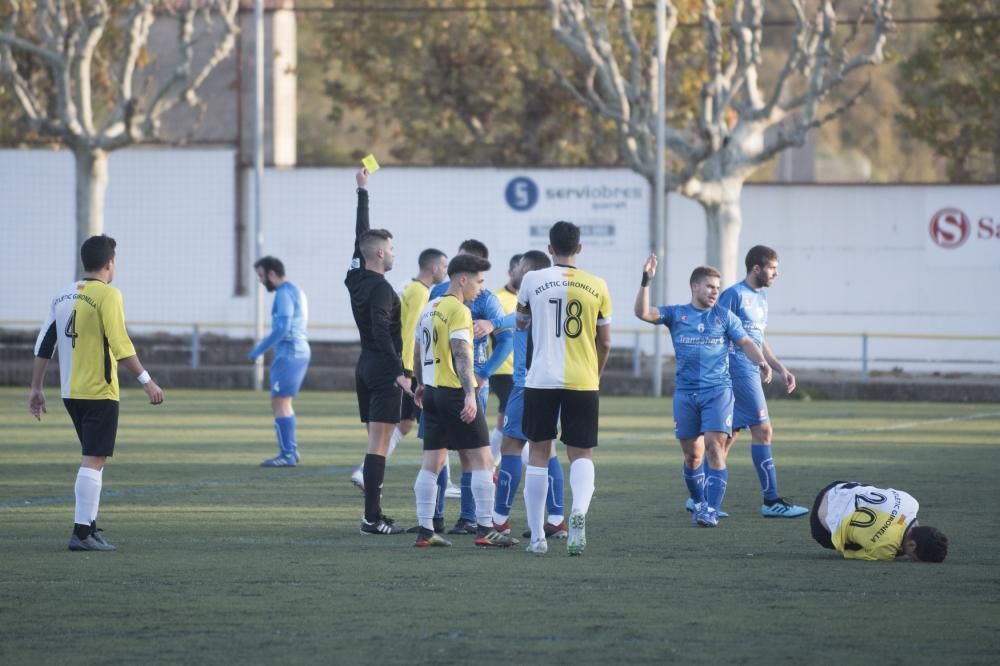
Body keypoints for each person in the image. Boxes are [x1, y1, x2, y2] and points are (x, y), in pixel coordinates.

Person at [27, 234, 165, 551]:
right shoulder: (109, 295)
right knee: (93, 459)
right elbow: (120, 344)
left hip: (70, 392)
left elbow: (44, 344)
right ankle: (81, 533)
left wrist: (36, 388)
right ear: (109, 263)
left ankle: (88, 527)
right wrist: (147, 381)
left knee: (96, 459)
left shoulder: (62, 295)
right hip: (99, 392)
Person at [634, 256, 773, 528]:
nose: (714, 292)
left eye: (717, 288)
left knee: (714, 447)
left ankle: (711, 509)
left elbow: (745, 341)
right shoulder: (677, 314)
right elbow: (643, 313)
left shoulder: (724, 316)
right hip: (685, 394)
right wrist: (646, 280)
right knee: (692, 455)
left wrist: (763, 362)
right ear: (694, 287)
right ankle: (698, 502)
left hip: (718, 392)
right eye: (709, 286)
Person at [517, 221, 612, 556]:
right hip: (583, 380)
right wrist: (595, 375)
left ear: (549, 249)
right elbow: (606, 341)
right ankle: (577, 515)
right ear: (580, 249)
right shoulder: (598, 285)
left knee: (539, 454)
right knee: (581, 453)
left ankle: (537, 538)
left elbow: (520, 321)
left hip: (541, 378)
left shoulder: (532, 279)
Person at [411, 253, 517, 548]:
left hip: (431, 393)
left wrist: (420, 384)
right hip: (454, 392)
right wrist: (470, 392)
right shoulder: (459, 310)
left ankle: (424, 531)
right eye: (479, 281)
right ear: (462, 279)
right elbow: (461, 351)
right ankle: (485, 530)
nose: (481, 288)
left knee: (432, 461)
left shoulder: (430, 307)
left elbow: (418, 349)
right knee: (482, 459)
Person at [717, 246, 808, 517]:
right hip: (738, 369)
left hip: (752, 368)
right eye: (772, 268)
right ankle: (771, 502)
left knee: (728, 437)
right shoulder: (733, 295)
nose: (776, 274)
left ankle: (701, 498)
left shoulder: (762, 297)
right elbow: (717, 331)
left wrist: (780, 367)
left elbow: (756, 337)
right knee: (763, 430)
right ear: (756, 268)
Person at [483, 251, 568, 540]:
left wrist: (492, 324)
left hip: (526, 385)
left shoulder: (531, 294)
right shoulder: (559, 298)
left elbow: (518, 318)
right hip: (557, 385)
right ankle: (556, 519)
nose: (515, 270)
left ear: (529, 271)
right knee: (548, 450)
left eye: (518, 265)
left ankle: (499, 522)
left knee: (511, 448)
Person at [344, 167, 410, 536]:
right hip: (383, 369)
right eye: (392, 250)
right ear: (381, 254)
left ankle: (374, 515)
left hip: (364, 366)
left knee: (377, 442)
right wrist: (399, 372)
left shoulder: (355, 277)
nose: (394, 254)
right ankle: (372, 518)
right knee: (379, 444)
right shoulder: (383, 289)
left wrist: (362, 191)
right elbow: (384, 333)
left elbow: (360, 238)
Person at [350, 247, 448, 491]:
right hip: (406, 367)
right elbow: (412, 330)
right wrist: (408, 369)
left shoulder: (408, 285)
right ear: (434, 268)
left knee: (405, 422)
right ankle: (367, 473)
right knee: (436, 421)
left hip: (397, 365)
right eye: (445, 267)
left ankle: (365, 472)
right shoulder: (420, 293)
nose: (446, 273)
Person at [248, 255, 311, 467]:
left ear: (271, 274)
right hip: (295, 351)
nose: (260, 280)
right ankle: (290, 450)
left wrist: (258, 350)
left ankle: (287, 454)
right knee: (282, 401)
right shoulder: (294, 290)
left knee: (280, 401)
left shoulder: (284, 294)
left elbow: (282, 328)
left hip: (290, 351)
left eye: (261, 275)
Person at [810, 481, 948, 562]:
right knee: (852, 544)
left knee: (874, 493)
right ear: (912, 544)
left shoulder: (911, 502)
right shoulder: (886, 549)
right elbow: (848, 553)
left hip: (836, 487)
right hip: (820, 523)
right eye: (913, 556)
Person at [487, 253, 522, 464]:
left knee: (506, 416)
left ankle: (490, 463)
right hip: (502, 369)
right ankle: (491, 463)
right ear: (510, 273)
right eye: (520, 271)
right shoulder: (497, 297)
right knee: (510, 415)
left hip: (523, 370)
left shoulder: (531, 296)